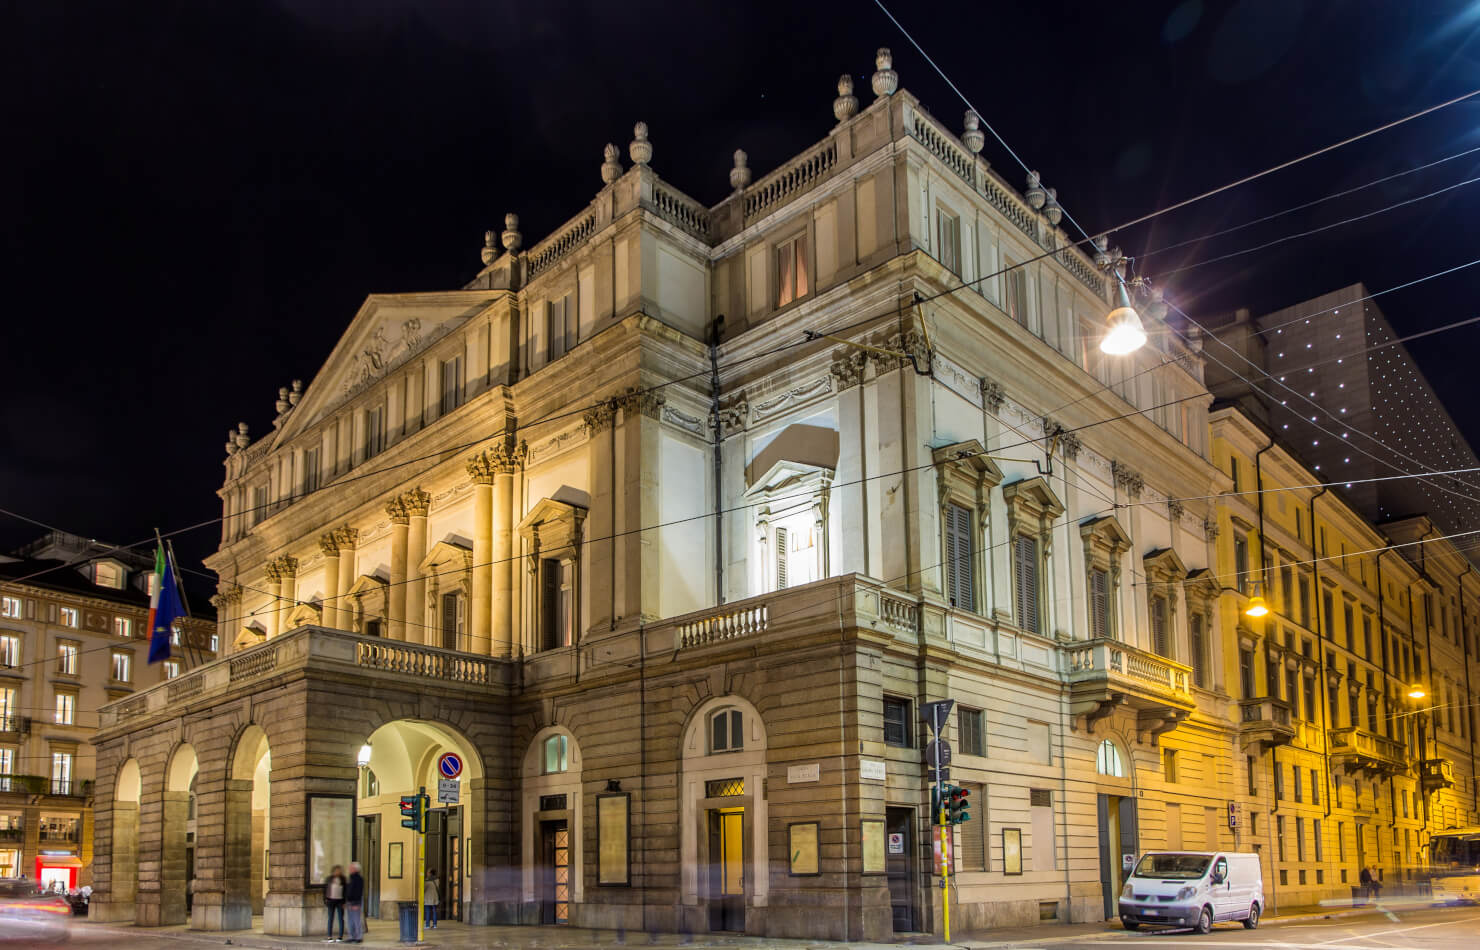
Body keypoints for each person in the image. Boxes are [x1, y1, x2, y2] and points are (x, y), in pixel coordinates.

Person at [323, 865, 347, 942]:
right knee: (330, 918)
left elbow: (345, 891)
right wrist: (325, 900)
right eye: (336, 870)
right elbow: (325, 890)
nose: (338, 872)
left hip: (340, 901)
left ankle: (340, 936)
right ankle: (329, 936)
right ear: (333, 871)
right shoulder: (329, 879)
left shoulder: (343, 879)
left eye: (339, 870)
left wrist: (345, 902)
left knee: (341, 919)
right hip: (331, 901)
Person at [344, 862, 365, 943]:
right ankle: (351, 936)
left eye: (351, 868)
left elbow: (358, 892)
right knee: (350, 920)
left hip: (355, 902)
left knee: (356, 920)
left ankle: (358, 937)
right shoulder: (351, 878)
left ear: (355, 869)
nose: (349, 869)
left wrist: (356, 903)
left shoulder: (359, 879)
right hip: (349, 901)